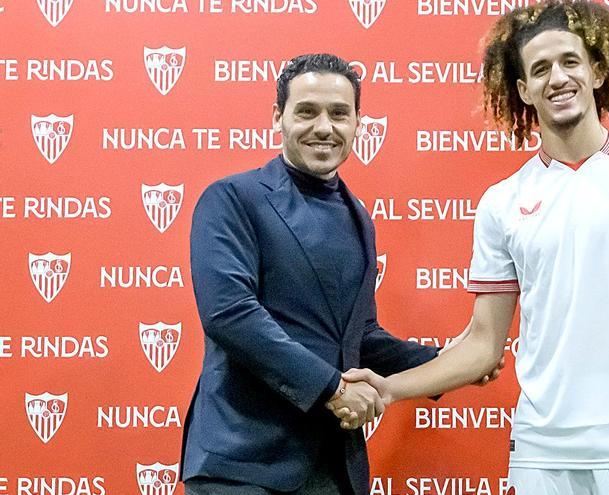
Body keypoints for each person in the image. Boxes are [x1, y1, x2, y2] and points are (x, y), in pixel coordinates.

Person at [334, 2, 609, 494]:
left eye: (569, 62)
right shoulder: (503, 202)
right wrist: (389, 388)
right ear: (522, 89)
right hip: (545, 451)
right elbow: (482, 344)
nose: (557, 78)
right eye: (540, 69)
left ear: (597, 71)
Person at [179, 53, 480, 495]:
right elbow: (230, 314)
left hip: (333, 468)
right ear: (277, 116)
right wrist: (332, 389)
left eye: (340, 113)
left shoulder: (357, 216)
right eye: (307, 111)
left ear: (359, 123)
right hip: (243, 464)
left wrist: (446, 362)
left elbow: (359, 336)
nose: (324, 127)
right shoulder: (231, 199)